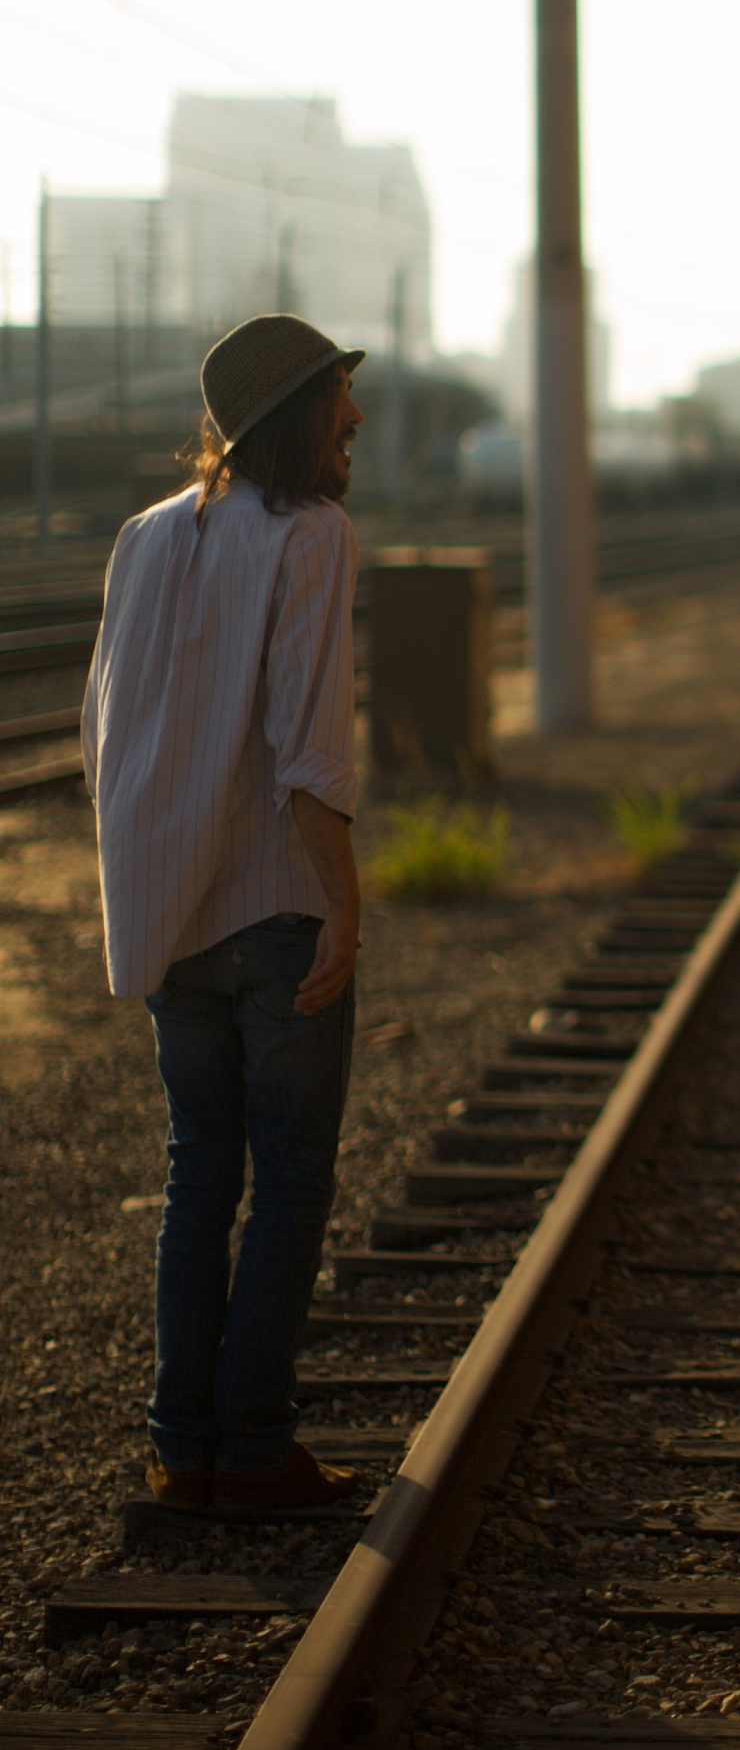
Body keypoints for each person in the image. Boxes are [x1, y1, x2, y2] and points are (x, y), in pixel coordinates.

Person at [84, 313, 369, 1512]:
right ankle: (253, 1445)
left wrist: (149, 871)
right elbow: (307, 748)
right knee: (292, 1175)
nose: (355, 419)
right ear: (295, 416)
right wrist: (343, 910)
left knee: (202, 1172)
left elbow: (102, 723)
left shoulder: (145, 537)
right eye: (338, 401)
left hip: (172, 913)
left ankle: (179, 1445)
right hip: (272, 904)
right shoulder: (310, 536)